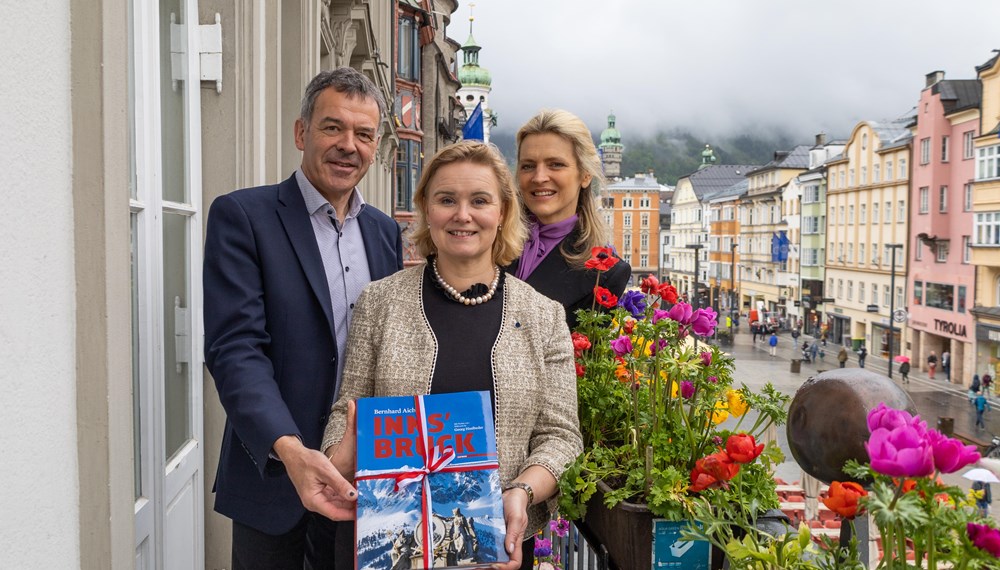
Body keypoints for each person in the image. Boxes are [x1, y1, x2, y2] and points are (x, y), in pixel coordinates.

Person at [321, 141, 583, 570]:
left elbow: (562, 437)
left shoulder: (543, 315)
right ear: (427, 208)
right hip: (389, 545)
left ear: (502, 212)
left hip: (499, 547)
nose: (463, 215)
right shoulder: (380, 304)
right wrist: (343, 453)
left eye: (479, 201)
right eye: (447, 200)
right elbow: (343, 414)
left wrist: (521, 490)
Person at [203, 68, 405, 569]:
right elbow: (235, 350)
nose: (348, 146)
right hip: (275, 479)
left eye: (363, 134)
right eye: (332, 127)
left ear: (375, 145)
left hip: (366, 481)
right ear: (301, 132)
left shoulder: (383, 233)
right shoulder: (243, 217)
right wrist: (291, 451)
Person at [507, 109, 631, 329]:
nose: (539, 177)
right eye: (528, 166)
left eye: (556, 164)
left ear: (585, 175)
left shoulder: (606, 274)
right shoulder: (491, 239)